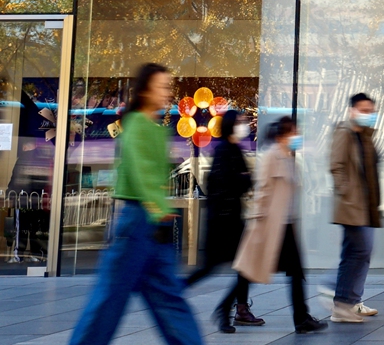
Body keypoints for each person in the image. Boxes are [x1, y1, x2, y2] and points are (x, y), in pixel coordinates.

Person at [68, 63, 203, 345]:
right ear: (145, 91)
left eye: (168, 86)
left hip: (149, 223)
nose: (167, 91)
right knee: (112, 301)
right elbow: (142, 173)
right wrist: (160, 209)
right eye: (162, 86)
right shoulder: (137, 126)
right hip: (138, 221)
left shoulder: (153, 127)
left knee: (166, 299)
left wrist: (160, 209)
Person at [233, 117, 327, 334]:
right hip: (270, 225)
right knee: (251, 266)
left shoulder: (287, 157)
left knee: (295, 272)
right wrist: (257, 221)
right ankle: (235, 306)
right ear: (283, 135)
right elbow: (262, 190)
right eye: (294, 132)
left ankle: (302, 318)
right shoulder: (271, 156)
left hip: (286, 225)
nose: (298, 136)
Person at [185, 110, 263, 332]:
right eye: (240, 122)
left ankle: (232, 309)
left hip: (228, 220)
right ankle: (177, 291)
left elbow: (240, 182)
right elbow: (232, 183)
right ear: (231, 125)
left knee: (241, 268)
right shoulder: (225, 151)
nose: (244, 125)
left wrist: (244, 180)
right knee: (218, 268)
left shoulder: (231, 150)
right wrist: (244, 179)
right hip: (224, 222)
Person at [329, 93, 383, 323]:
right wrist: (346, 191)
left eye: (371, 110)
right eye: (363, 109)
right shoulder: (345, 133)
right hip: (352, 205)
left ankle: (352, 301)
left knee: (360, 253)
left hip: (366, 205)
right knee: (357, 252)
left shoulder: (366, 136)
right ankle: (341, 304)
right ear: (352, 111)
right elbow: (336, 165)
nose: (368, 114)